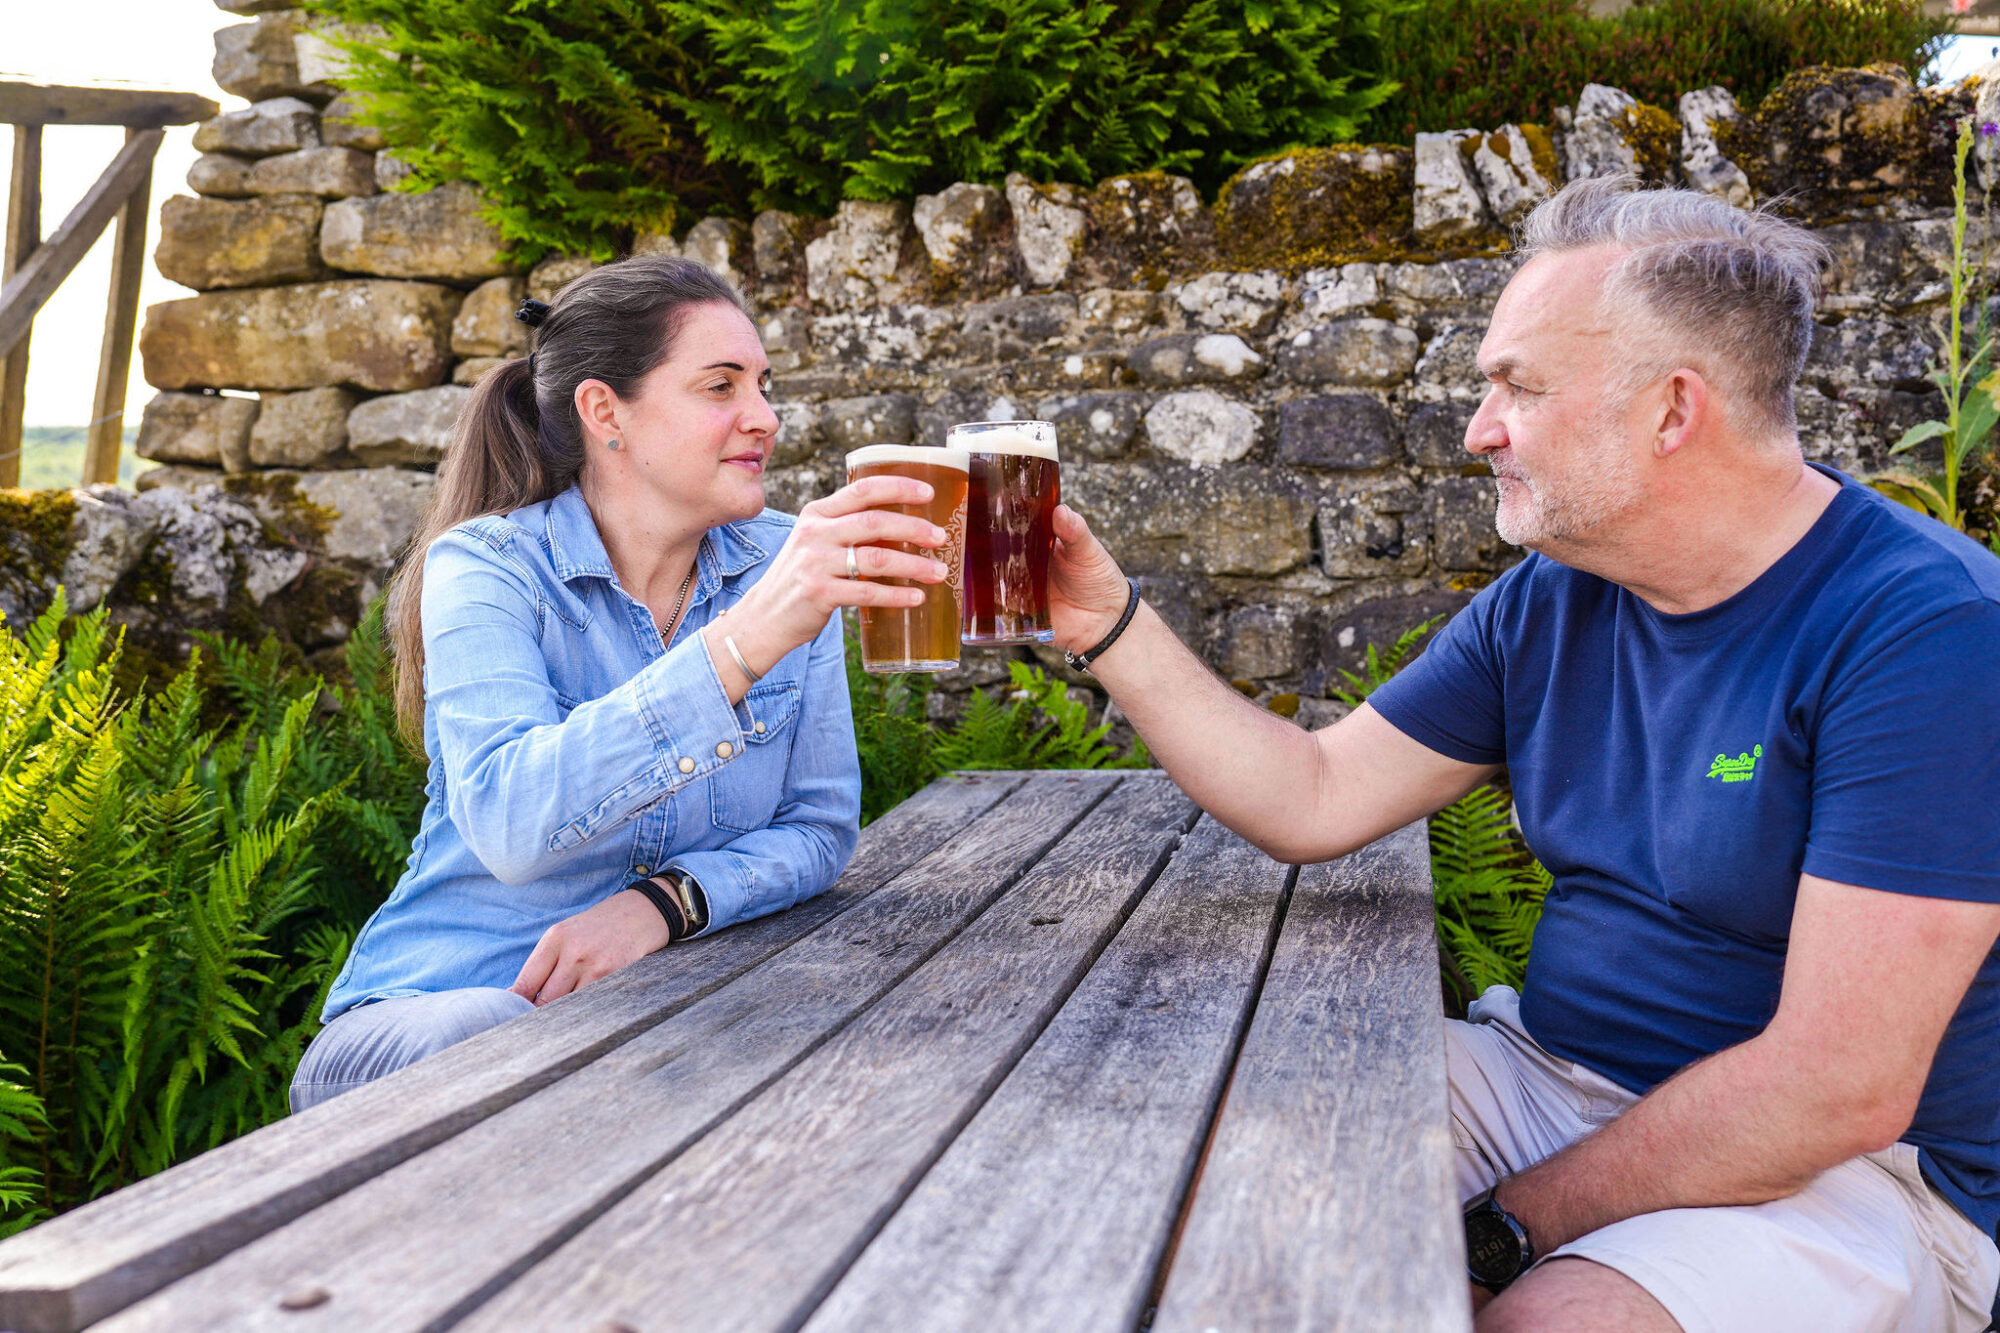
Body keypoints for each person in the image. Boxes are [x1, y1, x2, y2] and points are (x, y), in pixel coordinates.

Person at [1047, 176, 2000, 1332]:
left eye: (1516, 386)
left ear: (1670, 410)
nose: (1476, 427)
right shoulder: (1552, 601)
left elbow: (1831, 1091)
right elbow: (1315, 792)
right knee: (1168, 1174)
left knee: (1541, 1322)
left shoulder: (1928, 633)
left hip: (1851, 1180)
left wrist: (1506, 1227)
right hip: (1541, 1080)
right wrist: (1104, 621)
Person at [290, 256, 953, 1113]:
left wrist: (665, 903)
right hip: (425, 1025)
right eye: (720, 386)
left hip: (642, 1022)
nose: (765, 417)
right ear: (606, 412)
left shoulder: (784, 564)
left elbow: (818, 828)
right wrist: (742, 645)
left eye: (762, 384)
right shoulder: (489, 568)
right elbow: (511, 822)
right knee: (494, 1031)